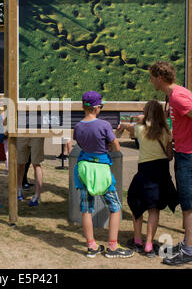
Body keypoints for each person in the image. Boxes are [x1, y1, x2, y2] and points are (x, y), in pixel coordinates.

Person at [149, 61, 192, 266]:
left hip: (189, 156)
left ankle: (189, 252)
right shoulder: (178, 92)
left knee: (189, 204)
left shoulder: (178, 97)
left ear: (159, 78)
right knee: (187, 201)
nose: (151, 81)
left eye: (152, 77)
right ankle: (188, 244)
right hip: (185, 154)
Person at [73, 91, 133, 259]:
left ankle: (91, 246)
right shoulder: (104, 125)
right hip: (101, 170)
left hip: (84, 169)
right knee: (115, 208)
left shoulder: (78, 126)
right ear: (97, 108)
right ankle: (112, 247)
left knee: (86, 209)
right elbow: (116, 146)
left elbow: (80, 142)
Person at [117, 100, 179, 258]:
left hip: (144, 172)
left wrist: (123, 125)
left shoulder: (140, 129)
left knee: (136, 203)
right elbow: (170, 156)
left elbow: (128, 126)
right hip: (161, 172)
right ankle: (149, 244)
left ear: (147, 113)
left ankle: (137, 240)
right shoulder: (166, 131)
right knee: (154, 208)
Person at [16, 137, 45, 206]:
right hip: (21, 134)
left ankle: (37, 195)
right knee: (20, 163)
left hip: (37, 134)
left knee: (36, 164)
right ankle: (18, 190)